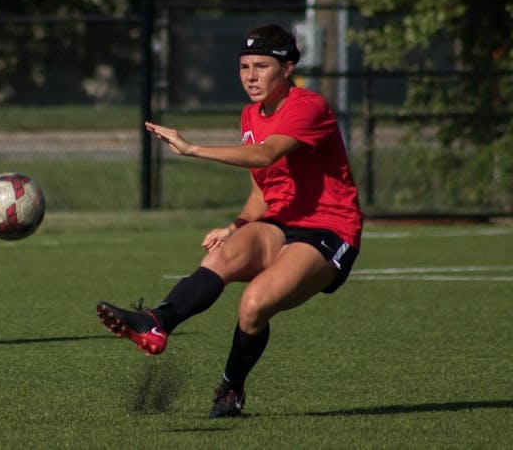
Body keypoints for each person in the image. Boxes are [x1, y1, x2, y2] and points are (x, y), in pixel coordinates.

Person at [96, 24, 363, 418]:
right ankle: (156, 321)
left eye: (261, 66)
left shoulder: (308, 106)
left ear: (287, 68)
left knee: (253, 305)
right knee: (224, 253)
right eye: (243, 67)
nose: (250, 77)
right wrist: (236, 225)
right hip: (280, 222)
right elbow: (263, 188)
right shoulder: (250, 115)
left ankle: (230, 390)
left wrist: (192, 149)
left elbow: (265, 155)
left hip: (329, 230)